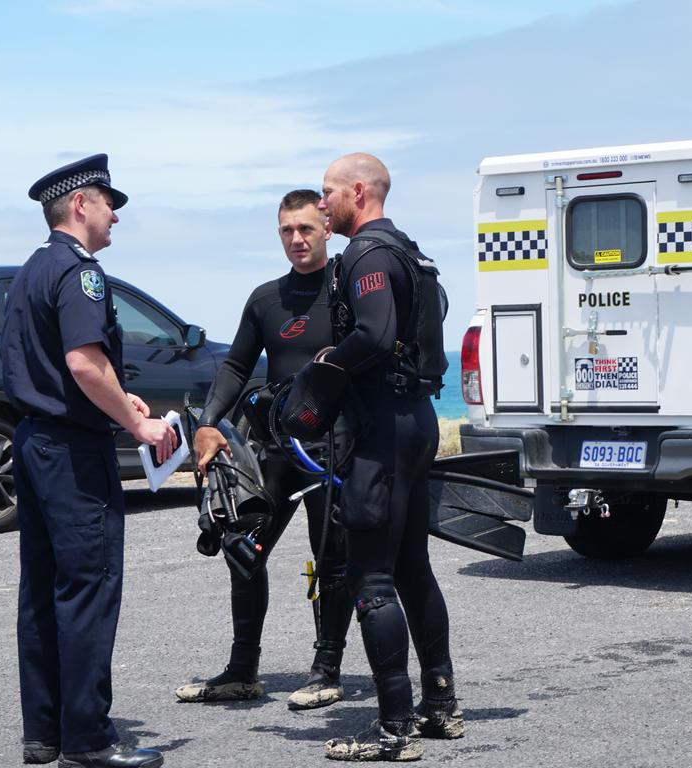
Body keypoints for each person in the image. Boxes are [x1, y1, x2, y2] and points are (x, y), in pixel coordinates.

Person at [0, 154, 177, 768]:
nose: (116, 215)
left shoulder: (30, 269)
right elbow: (80, 361)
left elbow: (62, 366)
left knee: (43, 591)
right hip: (73, 455)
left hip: (35, 442)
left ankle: (44, 732)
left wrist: (113, 395)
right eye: (109, 202)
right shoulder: (82, 274)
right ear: (81, 204)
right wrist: (137, 423)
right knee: (88, 588)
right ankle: (88, 739)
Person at [298, 153, 462, 761]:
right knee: (413, 567)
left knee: (372, 577)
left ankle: (394, 728)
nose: (321, 205)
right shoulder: (409, 251)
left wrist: (321, 372)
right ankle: (440, 706)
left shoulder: (366, 255)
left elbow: (372, 332)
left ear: (358, 192)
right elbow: (433, 316)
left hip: (383, 429)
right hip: (418, 420)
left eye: (328, 193)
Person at [174, 189, 354, 710]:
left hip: (331, 450)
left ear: (325, 227)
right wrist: (209, 422)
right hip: (276, 449)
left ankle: (327, 669)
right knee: (243, 551)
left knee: (331, 562)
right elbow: (234, 366)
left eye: (306, 229)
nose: (296, 240)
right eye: (286, 231)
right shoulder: (265, 299)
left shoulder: (346, 290)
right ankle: (242, 670)